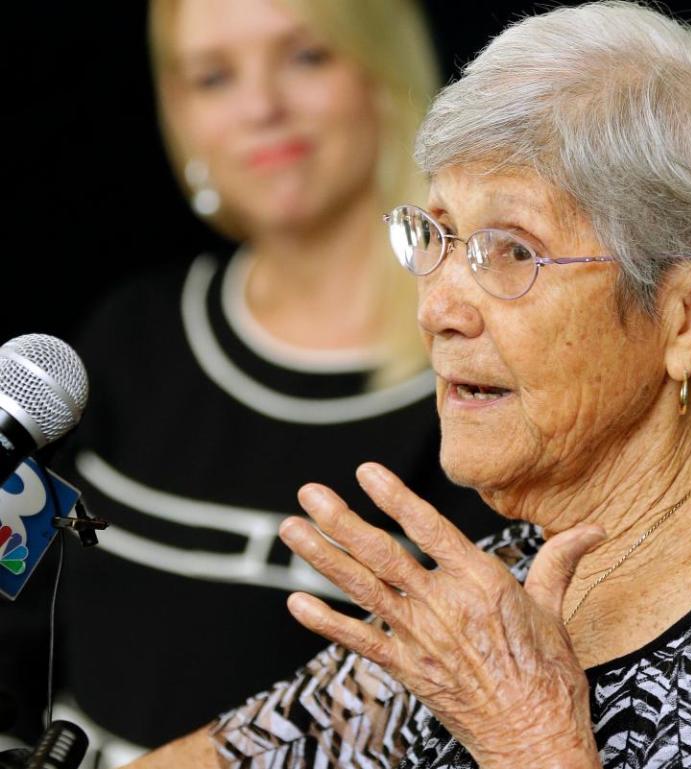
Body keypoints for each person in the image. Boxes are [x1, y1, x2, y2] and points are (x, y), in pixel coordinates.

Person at [125, 1, 691, 767]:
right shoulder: (502, 577)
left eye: (511, 251)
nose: (438, 309)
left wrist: (530, 734)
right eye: (439, 236)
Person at [0, 0, 504, 765]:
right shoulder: (126, 338)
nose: (261, 106)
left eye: (306, 57)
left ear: (385, 76)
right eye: (213, 76)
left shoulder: (476, 376)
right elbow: (12, 612)